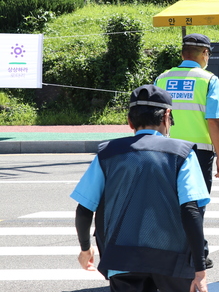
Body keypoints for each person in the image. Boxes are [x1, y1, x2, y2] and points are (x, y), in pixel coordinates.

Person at [71, 85, 211, 292]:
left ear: (129, 121)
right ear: (167, 116)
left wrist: (85, 249)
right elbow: (190, 210)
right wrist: (200, 270)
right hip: (173, 261)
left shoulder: (107, 153)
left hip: (122, 259)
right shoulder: (182, 153)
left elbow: (84, 209)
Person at [155, 33, 219, 267]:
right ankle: (198, 254)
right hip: (199, 151)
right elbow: (214, 120)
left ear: (182, 53)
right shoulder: (209, 80)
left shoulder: (163, 78)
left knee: (168, 202)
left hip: (167, 150)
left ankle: (172, 250)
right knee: (195, 205)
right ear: (205, 54)